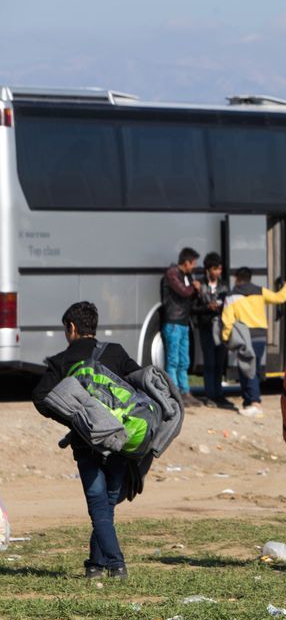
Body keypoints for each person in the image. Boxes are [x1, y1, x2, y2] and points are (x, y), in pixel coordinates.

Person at [31, 302, 143, 579]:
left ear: (71, 328)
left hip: (86, 444)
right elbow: (140, 383)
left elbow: (40, 398)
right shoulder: (115, 352)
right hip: (119, 440)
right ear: (94, 326)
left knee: (97, 504)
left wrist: (74, 419)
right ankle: (95, 564)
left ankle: (115, 564)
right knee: (107, 504)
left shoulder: (61, 362)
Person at [220, 265, 286, 418]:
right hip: (260, 337)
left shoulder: (231, 296)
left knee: (246, 370)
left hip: (244, 337)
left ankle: (255, 403)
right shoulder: (260, 291)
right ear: (249, 278)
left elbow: (227, 320)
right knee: (254, 368)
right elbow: (280, 297)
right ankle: (248, 402)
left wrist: (225, 339)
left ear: (237, 279)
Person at [161, 247, 201, 405]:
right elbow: (183, 292)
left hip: (183, 323)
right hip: (173, 323)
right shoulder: (172, 274)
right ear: (186, 262)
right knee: (173, 360)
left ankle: (185, 392)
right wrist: (194, 287)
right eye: (193, 263)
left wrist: (194, 289)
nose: (194, 267)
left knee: (184, 360)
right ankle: (174, 393)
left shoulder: (186, 275)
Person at [193, 252, 232, 409]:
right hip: (206, 328)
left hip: (221, 328)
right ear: (208, 269)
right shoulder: (199, 286)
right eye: (215, 269)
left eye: (220, 269)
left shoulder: (224, 286)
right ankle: (210, 396)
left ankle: (219, 395)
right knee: (209, 363)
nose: (218, 272)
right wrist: (207, 307)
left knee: (219, 364)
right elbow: (193, 309)